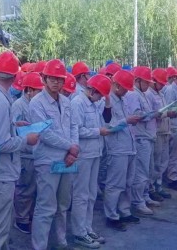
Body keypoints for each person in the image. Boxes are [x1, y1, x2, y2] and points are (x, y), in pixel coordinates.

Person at [0, 51, 39, 250]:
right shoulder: (0, 101)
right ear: (14, 77)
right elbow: (1, 143)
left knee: (0, 223)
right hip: (0, 172)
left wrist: (14, 126)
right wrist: (25, 140)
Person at [29, 59, 79, 250]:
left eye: (59, 79)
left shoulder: (66, 101)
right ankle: (39, 246)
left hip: (67, 160)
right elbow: (44, 133)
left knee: (63, 204)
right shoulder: (37, 103)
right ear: (44, 79)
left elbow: (73, 126)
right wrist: (70, 146)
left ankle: (61, 242)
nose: (56, 82)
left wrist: (74, 149)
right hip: (47, 160)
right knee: (45, 206)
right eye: (52, 78)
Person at [70, 74, 111, 248]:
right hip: (83, 154)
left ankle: (87, 227)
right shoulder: (77, 103)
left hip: (95, 153)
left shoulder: (93, 104)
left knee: (91, 193)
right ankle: (79, 232)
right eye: (100, 94)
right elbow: (77, 130)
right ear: (92, 90)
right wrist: (98, 132)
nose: (101, 98)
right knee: (81, 194)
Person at [102, 69, 142, 232]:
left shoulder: (122, 99)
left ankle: (124, 211)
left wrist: (132, 120)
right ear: (117, 85)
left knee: (128, 182)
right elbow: (108, 126)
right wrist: (126, 121)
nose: (126, 92)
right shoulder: (107, 101)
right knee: (115, 184)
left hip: (129, 145)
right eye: (125, 88)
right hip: (117, 148)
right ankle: (111, 215)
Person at [12, 72, 44, 234]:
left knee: (35, 188)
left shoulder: (37, 104)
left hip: (36, 151)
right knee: (25, 188)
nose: (41, 93)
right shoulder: (18, 105)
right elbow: (13, 129)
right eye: (38, 90)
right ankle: (21, 219)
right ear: (29, 90)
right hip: (25, 153)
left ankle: (29, 216)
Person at [129, 66, 160, 216]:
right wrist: (152, 114)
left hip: (148, 136)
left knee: (147, 170)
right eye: (146, 82)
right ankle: (138, 201)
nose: (148, 85)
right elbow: (137, 115)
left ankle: (145, 195)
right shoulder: (134, 95)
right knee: (141, 172)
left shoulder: (143, 94)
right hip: (141, 138)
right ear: (138, 80)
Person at [145, 68, 172, 200]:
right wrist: (165, 114)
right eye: (160, 83)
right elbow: (150, 114)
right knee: (155, 162)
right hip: (156, 131)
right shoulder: (148, 94)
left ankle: (158, 185)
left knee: (162, 161)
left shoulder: (160, 93)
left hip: (164, 129)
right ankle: (151, 187)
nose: (162, 86)